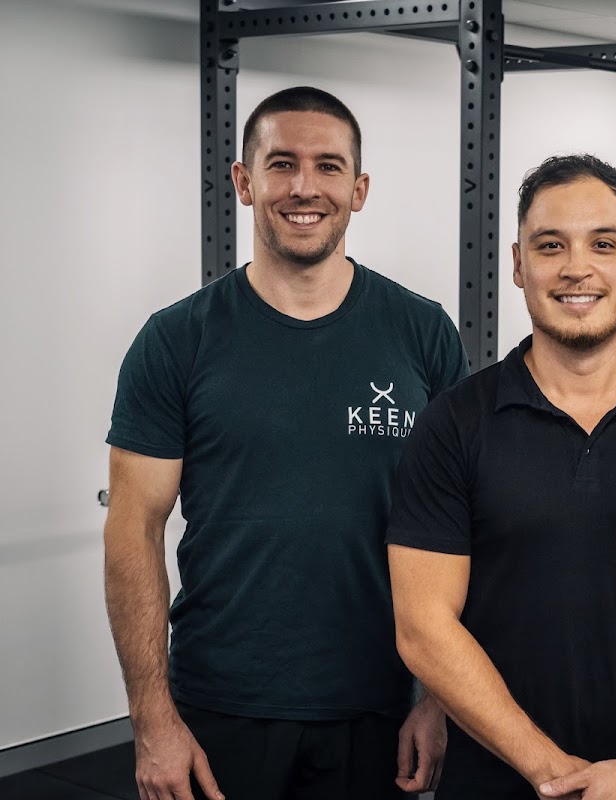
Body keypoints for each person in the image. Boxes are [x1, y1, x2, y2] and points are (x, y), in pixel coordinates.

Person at [104, 86, 468, 800]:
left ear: (359, 190)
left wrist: (440, 698)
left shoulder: (423, 333)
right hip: (220, 705)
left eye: (329, 166)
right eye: (282, 164)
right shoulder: (176, 339)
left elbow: (457, 530)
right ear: (244, 182)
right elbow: (132, 528)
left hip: (378, 701)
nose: (305, 188)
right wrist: (152, 719)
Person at [385, 154, 616, 800]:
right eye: (550, 245)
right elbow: (424, 627)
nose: (576, 267)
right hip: (497, 782)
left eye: (604, 244)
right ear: (518, 264)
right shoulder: (454, 424)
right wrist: (553, 773)